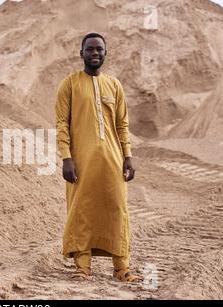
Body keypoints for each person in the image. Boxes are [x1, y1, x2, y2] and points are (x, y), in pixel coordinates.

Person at [55, 33, 142, 282]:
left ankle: (122, 268)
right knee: (81, 210)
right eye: (90, 49)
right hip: (81, 161)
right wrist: (66, 158)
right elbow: (62, 124)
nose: (95, 53)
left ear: (106, 53)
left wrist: (128, 156)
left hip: (113, 160)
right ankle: (83, 268)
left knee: (117, 209)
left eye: (100, 49)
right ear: (81, 53)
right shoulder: (69, 84)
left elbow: (122, 125)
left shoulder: (114, 85)